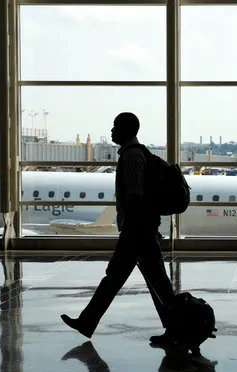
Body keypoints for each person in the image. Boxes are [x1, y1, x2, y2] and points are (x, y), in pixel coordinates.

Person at [61, 112, 175, 345]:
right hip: (141, 230)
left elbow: (135, 196)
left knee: (124, 280)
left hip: (137, 232)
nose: (112, 131)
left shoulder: (132, 157)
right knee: (154, 283)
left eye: (115, 127)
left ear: (127, 130)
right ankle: (175, 329)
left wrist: (132, 229)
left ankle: (87, 322)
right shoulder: (137, 153)